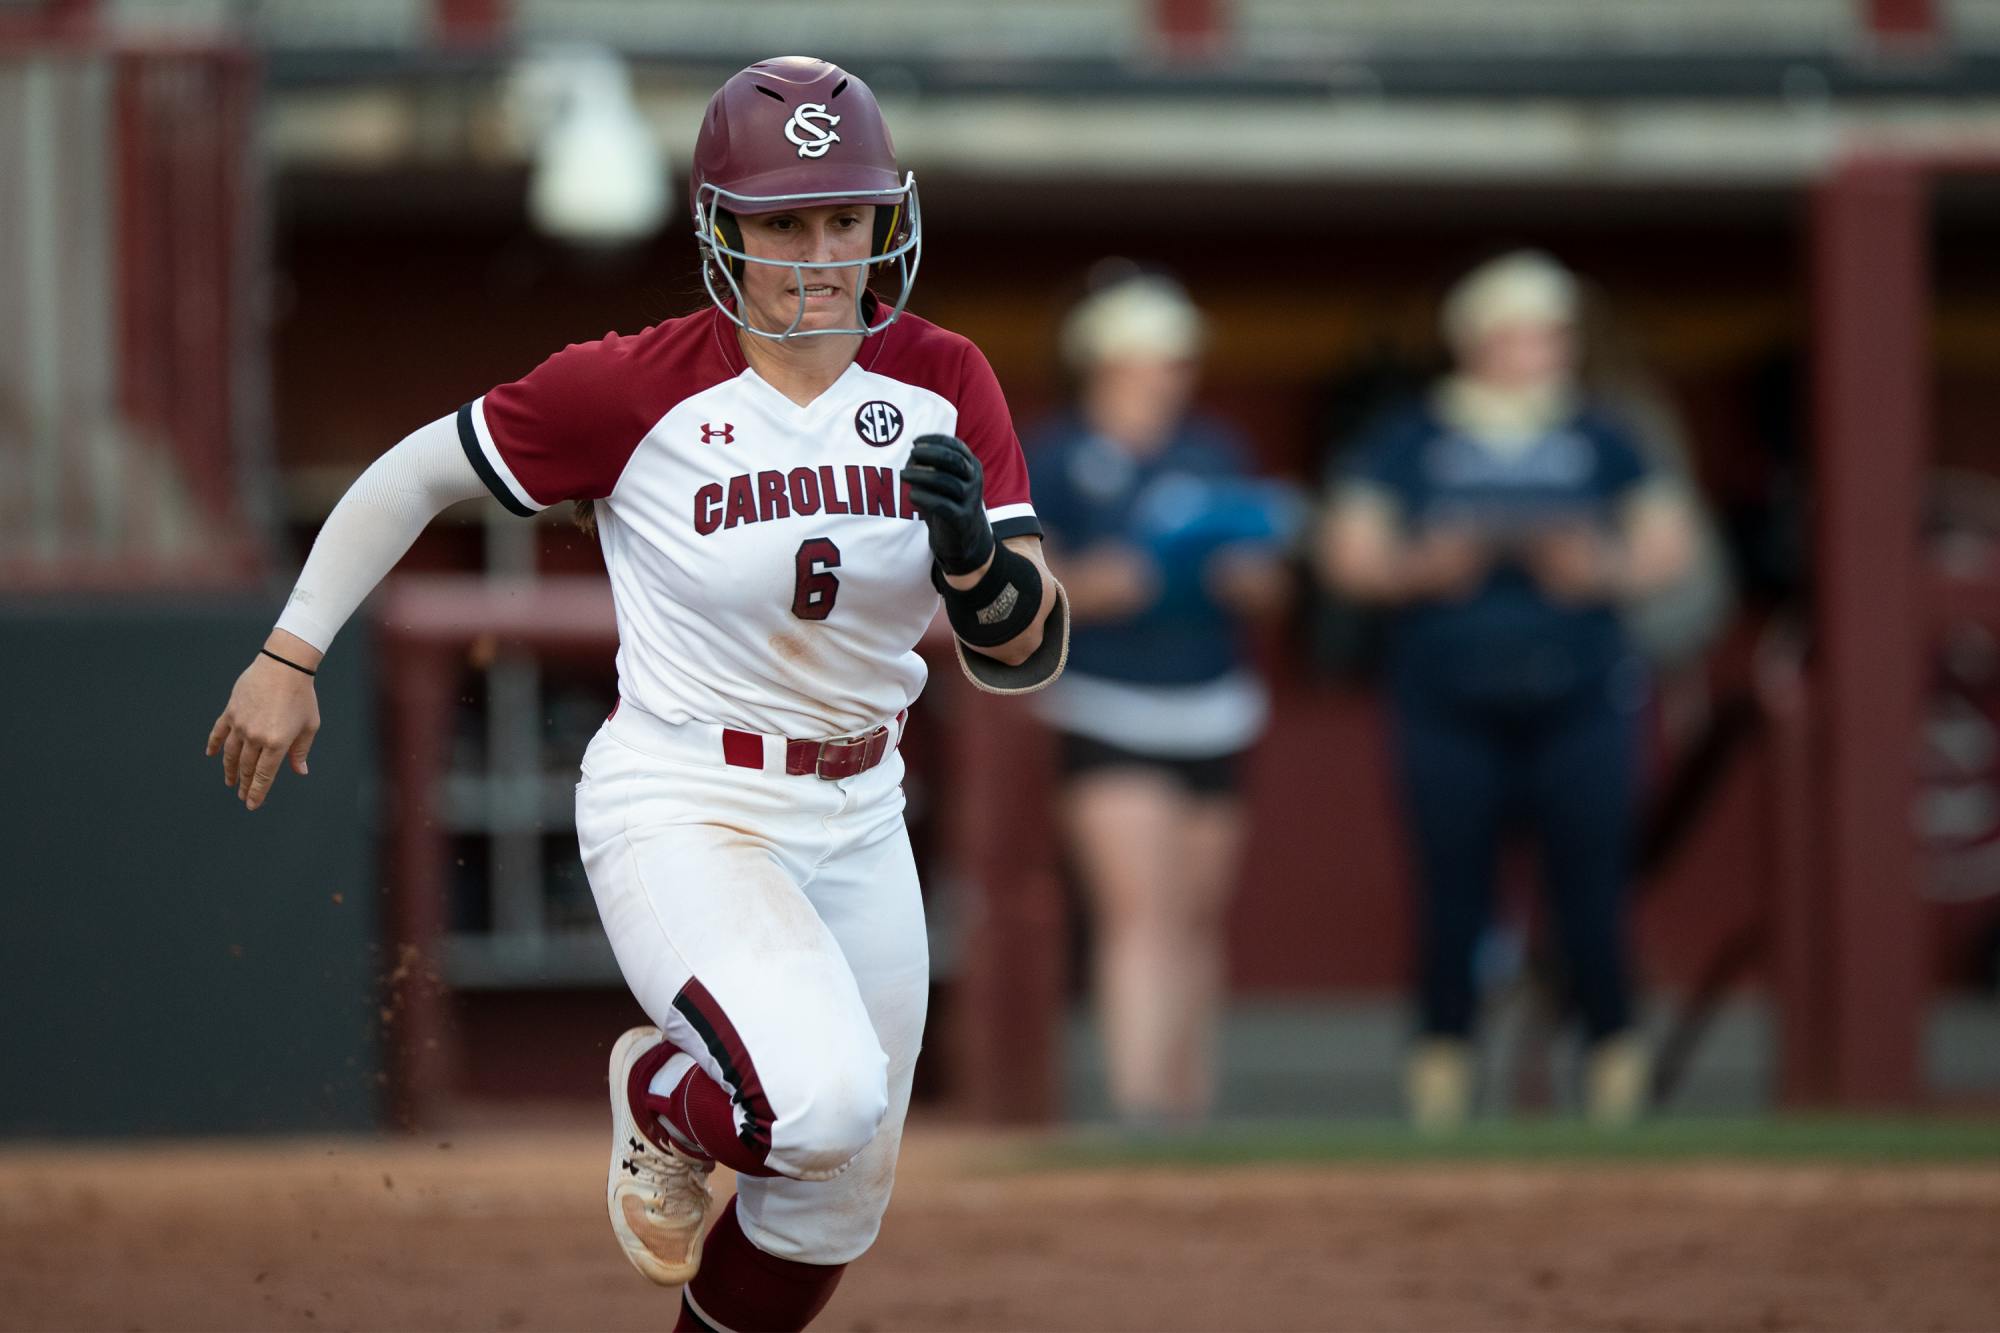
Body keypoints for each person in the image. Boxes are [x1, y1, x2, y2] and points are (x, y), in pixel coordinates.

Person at [203, 57, 1067, 1333]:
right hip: (691, 796)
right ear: (721, 228)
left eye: (847, 216)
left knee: (831, 1198)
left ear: (891, 218)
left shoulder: (944, 375)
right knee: (813, 1107)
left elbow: (1029, 648)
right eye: (784, 220)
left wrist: (982, 571)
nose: (821, 252)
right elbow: (412, 474)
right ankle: (665, 1094)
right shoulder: (636, 384)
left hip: (860, 802)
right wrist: (291, 650)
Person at [1318, 251, 1697, 1130]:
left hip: (1582, 693)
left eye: (1558, 332)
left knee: (1593, 888)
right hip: (1448, 696)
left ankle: (1614, 1072)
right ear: (1481, 341)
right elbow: (1349, 552)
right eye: (1531, 332)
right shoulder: (1415, 433)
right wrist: (1424, 566)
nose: (1550, 349)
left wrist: (1596, 565)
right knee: (1453, 892)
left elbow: (1670, 545)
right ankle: (1443, 1080)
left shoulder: (1604, 432)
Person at [1026, 269, 1292, 1128]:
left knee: (1196, 918)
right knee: (1138, 914)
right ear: (1104, 362)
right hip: (1106, 701)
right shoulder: (1058, 451)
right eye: (1151, 360)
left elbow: (1270, 579)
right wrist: (1107, 581)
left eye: (1177, 361)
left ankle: (1191, 1111)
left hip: (1211, 701)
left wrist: (1245, 573)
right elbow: (1016, 583)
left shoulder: (1212, 450)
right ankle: (1141, 1109)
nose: (1169, 378)